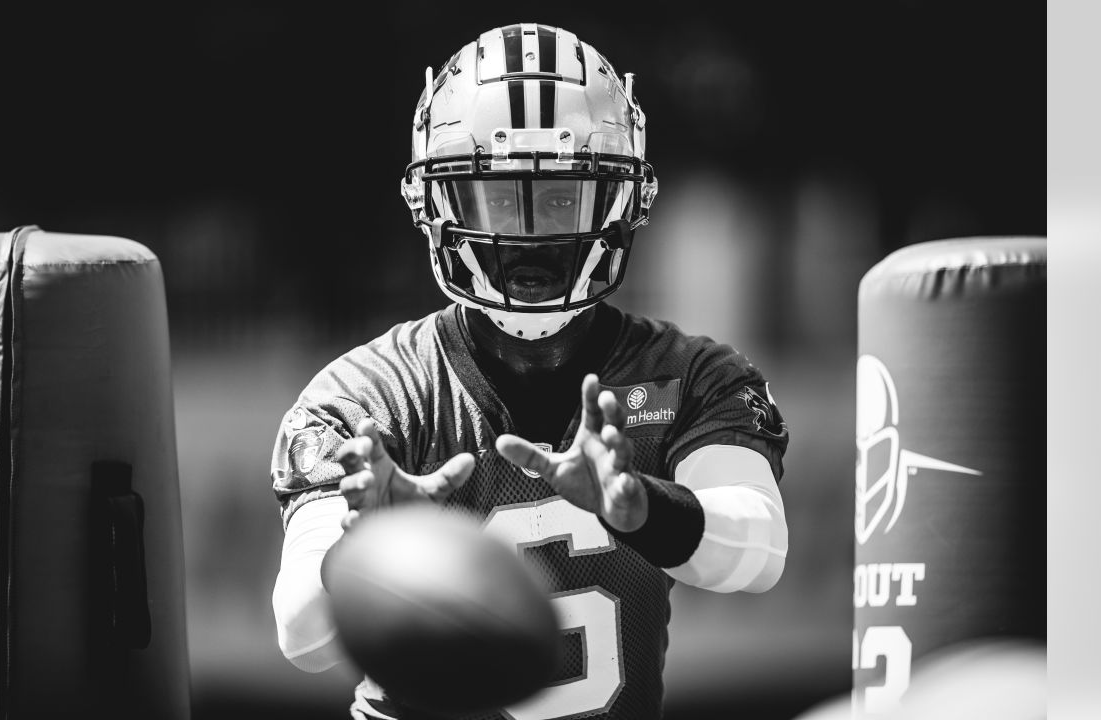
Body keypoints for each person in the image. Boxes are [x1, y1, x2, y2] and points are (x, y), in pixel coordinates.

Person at [270, 22, 790, 720]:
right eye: (498, 198)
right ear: (438, 205)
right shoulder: (371, 396)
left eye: (559, 197)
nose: (529, 235)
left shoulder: (689, 374)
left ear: (619, 200)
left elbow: (759, 550)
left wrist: (640, 506)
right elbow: (300, 633)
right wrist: (362, 549)